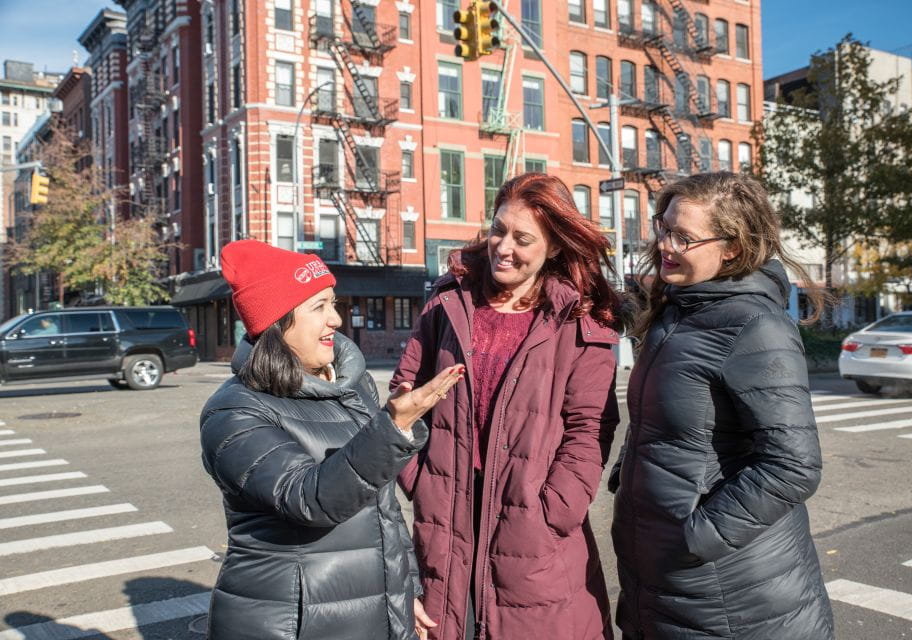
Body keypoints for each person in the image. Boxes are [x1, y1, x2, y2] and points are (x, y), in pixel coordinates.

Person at [392, 173, 621, 640]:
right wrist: (417, 477)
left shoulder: (579, 322)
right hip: (447, 511)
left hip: (532, 526)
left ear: (555, 247)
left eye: (523, 238)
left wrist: (554, 509)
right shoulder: (447, 304)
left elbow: (589, 429)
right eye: (499, 230)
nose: (504, 247)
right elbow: (405, 392)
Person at [200, 239, 464, 640]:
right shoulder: (234, 411)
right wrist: (393, 427)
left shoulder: (351, 386)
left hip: (371, 613)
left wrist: (404, 591)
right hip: (293, 623)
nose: (336, 320)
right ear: (277, 322)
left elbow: (384, 513)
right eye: (318, 307)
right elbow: (309, 499)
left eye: (333, 303)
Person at [610, 172, 835, 639]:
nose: (665, 244)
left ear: (731, 247)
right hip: (664, 582)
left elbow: (793, 466)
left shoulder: (755, 326)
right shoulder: (677, 309)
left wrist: (696, 536)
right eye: (663, 226)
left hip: (733, 596)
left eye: (684, 237)